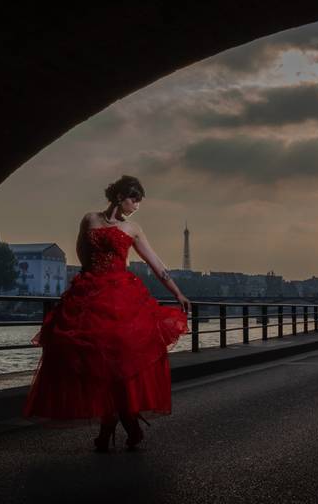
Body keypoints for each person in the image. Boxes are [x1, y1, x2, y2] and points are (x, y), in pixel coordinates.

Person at [22, 175, 192, 452]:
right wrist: (94, 277)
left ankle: (112, 426)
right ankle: (123, 424)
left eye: (138, 202)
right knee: (95, 366)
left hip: (119, 301)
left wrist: (177, 293)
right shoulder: (89, 219)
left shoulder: (133, 228)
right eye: (134, 200)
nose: (136, 206)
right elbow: (81, 254)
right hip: (90, 296)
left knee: (116, 366)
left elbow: (156, 263)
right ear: (120, 196)